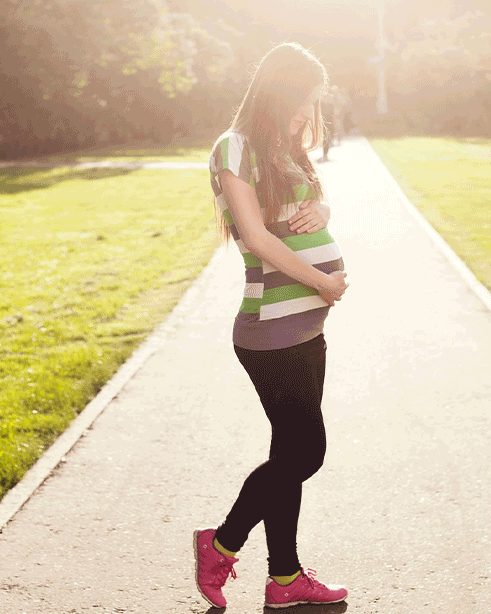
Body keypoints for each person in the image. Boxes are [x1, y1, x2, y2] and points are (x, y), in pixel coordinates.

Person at [194, 42, 350, 610]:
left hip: (306, 325)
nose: (307, 113)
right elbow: (256, 236)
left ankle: (284, 579)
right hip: (270, 328)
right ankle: (221, 543)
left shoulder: (282, 147)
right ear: (280, 91)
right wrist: (323, 281)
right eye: (302, 100)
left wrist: (325, 213)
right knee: (307, 453)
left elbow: (313, 203)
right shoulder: (233, 149)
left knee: (289, 455)